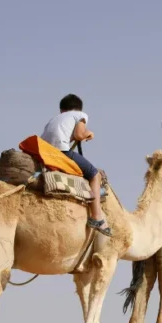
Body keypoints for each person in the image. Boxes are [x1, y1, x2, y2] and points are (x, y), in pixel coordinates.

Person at [41, 94, 111, 237]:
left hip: (45, 154)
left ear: (61, 110)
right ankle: (96, 217)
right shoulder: (80, 115)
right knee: (95, 175)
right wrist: (88, 133)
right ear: (79, 108)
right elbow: (79, 135)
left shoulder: (53, 120)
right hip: (62, 153)